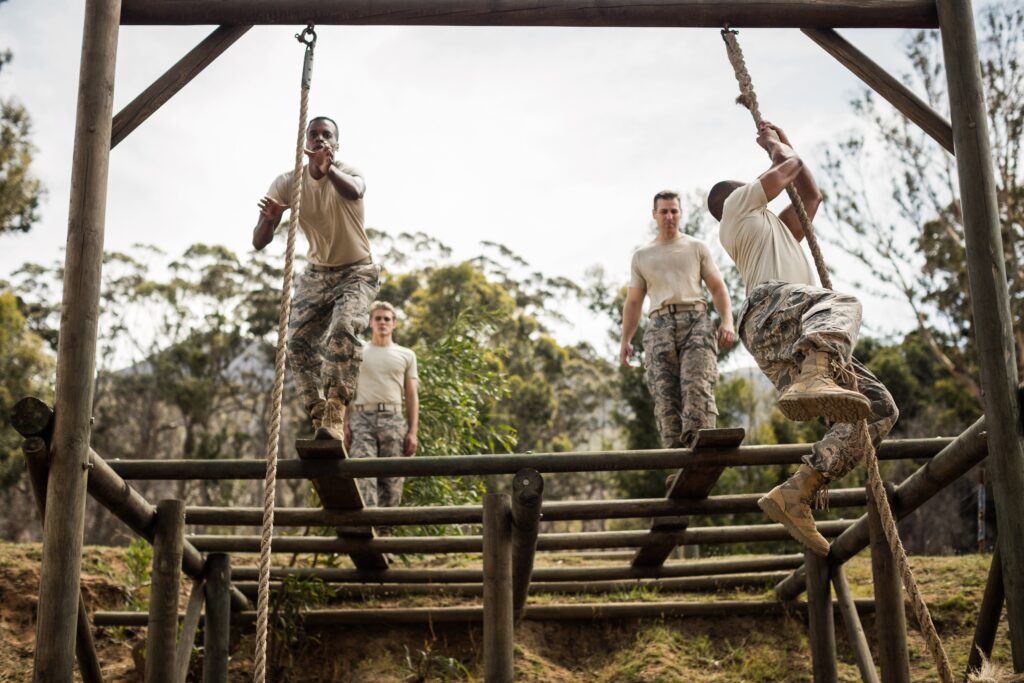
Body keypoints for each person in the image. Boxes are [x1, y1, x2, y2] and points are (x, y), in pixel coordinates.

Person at [707, 120, 898, 556]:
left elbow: (810, 195)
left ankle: (799, 490)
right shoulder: (736, 208)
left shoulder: (776, 229)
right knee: (843, 304)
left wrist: (787, 144)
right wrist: (775, 146)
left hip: (794, 332)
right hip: (772, 310)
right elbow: (787, 170)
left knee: (879, 408)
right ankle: (816, 372)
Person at [252, 116, 379, 443]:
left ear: (336, 144)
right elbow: (259, 241)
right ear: (304, 142)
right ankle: (318, 410)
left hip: (357, 272)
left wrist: (328, 168)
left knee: (342, 329)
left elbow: (355, 191)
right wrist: (269, 220)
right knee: (296, 343)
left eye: (327, 135)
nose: (320, 139)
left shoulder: (349, 173)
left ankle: (336, 409)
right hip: (317, 274)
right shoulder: (287, 182)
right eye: (314, 134)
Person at [619, 190, 736, 450]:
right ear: (654, 215)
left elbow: (718, 287)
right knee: (665, 397)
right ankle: (676, 458)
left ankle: (702, 452)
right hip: (659, 326)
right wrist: (625, 340)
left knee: (697, 388)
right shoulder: (642, 255)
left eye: (674, 211)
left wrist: (727, 321)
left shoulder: (696, 247)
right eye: (664, 211)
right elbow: (634, 302)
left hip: (696, 322)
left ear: (680, 213)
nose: (669, 216)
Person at [344, 301, 419, 508]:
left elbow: (412, 396)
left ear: (394, 323)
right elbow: (346, 391)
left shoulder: (407, 355)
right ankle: (367, 526)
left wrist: (413, 432)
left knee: (392, 484)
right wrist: (343, 425)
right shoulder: (358, 351)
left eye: (387, 319)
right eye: (378, 318)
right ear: (370, 322)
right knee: (363, 477)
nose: (382, 322)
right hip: (362, 420)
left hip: (393, 420)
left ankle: (386, 528)